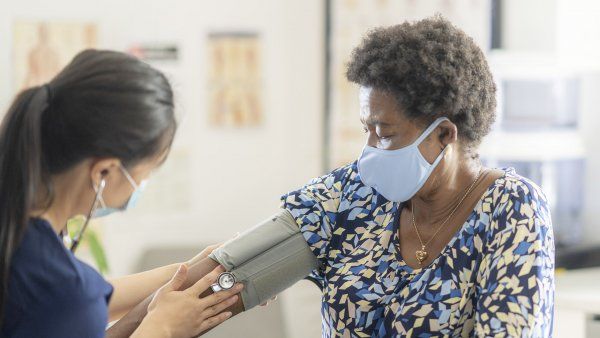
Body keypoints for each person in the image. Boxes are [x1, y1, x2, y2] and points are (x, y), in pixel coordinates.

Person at [109, 16, 555, 337]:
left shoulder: (512, 210)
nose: (368, 151)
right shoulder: (351, 196)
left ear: (442, 135)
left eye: (385, 134)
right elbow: (225, 273)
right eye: (367, 129)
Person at [0, 50, 243, 338]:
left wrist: (187, 272)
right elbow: (71, 304)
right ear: (104, 172)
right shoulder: (63, 289)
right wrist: (161, 329)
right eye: (147, 171)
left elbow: (81, 304)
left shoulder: (21, 238)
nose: (143, 183)